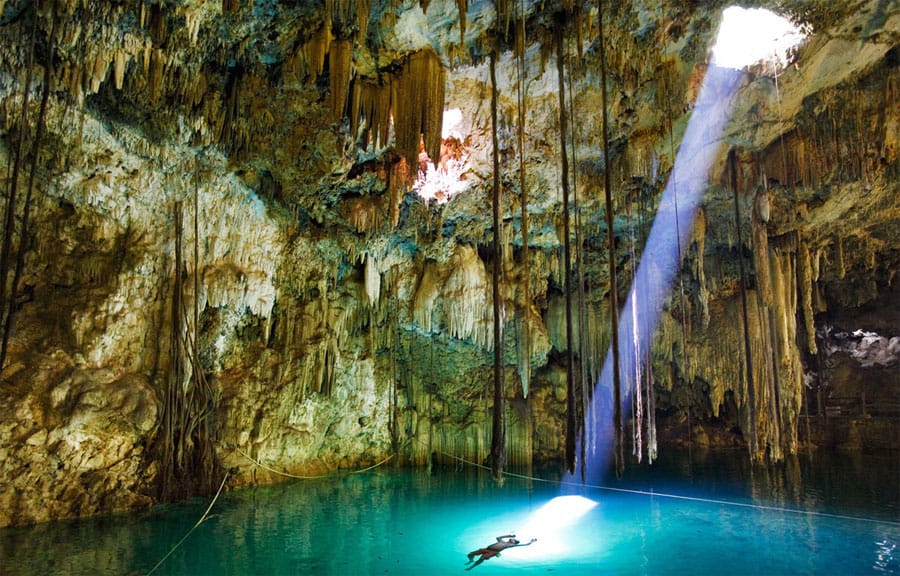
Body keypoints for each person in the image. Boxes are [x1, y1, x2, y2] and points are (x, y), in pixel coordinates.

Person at [465, 534, 537, 570]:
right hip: (486, 549)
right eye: (511, 538)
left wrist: (531, 541)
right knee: (470, 554)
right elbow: (498, 537)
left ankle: (472, 567)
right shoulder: (502, 541)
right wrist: (508, 535)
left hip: (493, 552)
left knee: (482, 558)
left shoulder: (510, 545)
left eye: (513, 539)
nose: (511, 538)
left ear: (514, 542)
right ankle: (471, 560)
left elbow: (525, 544)